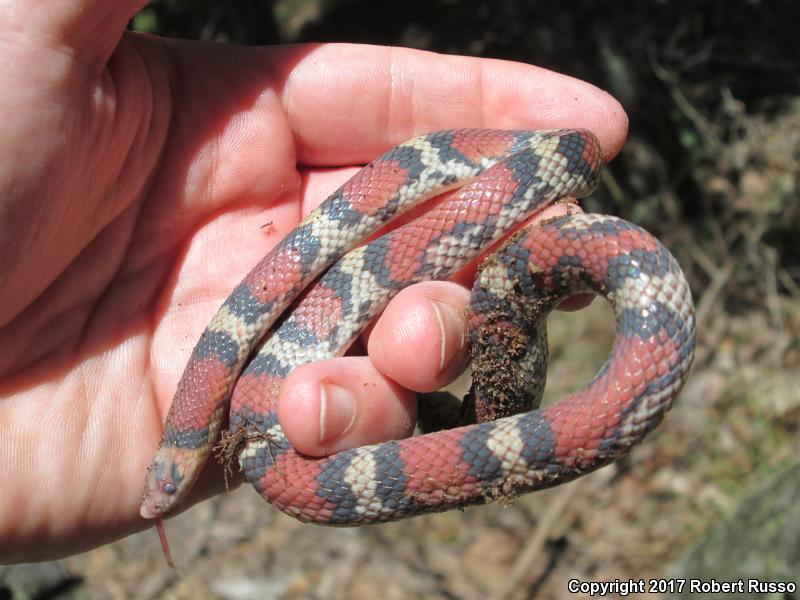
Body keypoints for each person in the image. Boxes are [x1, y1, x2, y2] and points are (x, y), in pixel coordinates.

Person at [0, 1, 628, 563]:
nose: (156, 498)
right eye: (166, 483)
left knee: (538, 197)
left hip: (526, 166)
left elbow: (575, 150)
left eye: (162, 479)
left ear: (182, 446)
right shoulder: (230, 412)